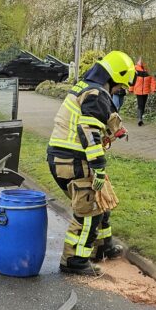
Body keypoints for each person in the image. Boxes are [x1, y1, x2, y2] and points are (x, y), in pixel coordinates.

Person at [47, 50, 132, 277]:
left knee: (100, 204)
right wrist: (98, 165)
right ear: (113, 77)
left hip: (65, 157)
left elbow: (103, 114)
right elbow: (88, 129)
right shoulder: (96, 93)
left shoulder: (89, 88)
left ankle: (103, 247)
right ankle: (74, 260)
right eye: (120, 87)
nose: (119, 91)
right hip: (73, 160)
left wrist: (117, 128)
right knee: (89, 212)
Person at [132, 57, 156, 126]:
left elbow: (153, 80)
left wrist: (153, 89)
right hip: (138, 90)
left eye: (142, 60)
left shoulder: (148, 69)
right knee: (140, 104)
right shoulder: (135, 68)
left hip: (146, 90)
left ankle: (140, 118)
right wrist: (131, 89)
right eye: (140, 60)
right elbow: (132, 79)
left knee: (143, 105)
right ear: (138, 61)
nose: (141, 62)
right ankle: (140, 119)